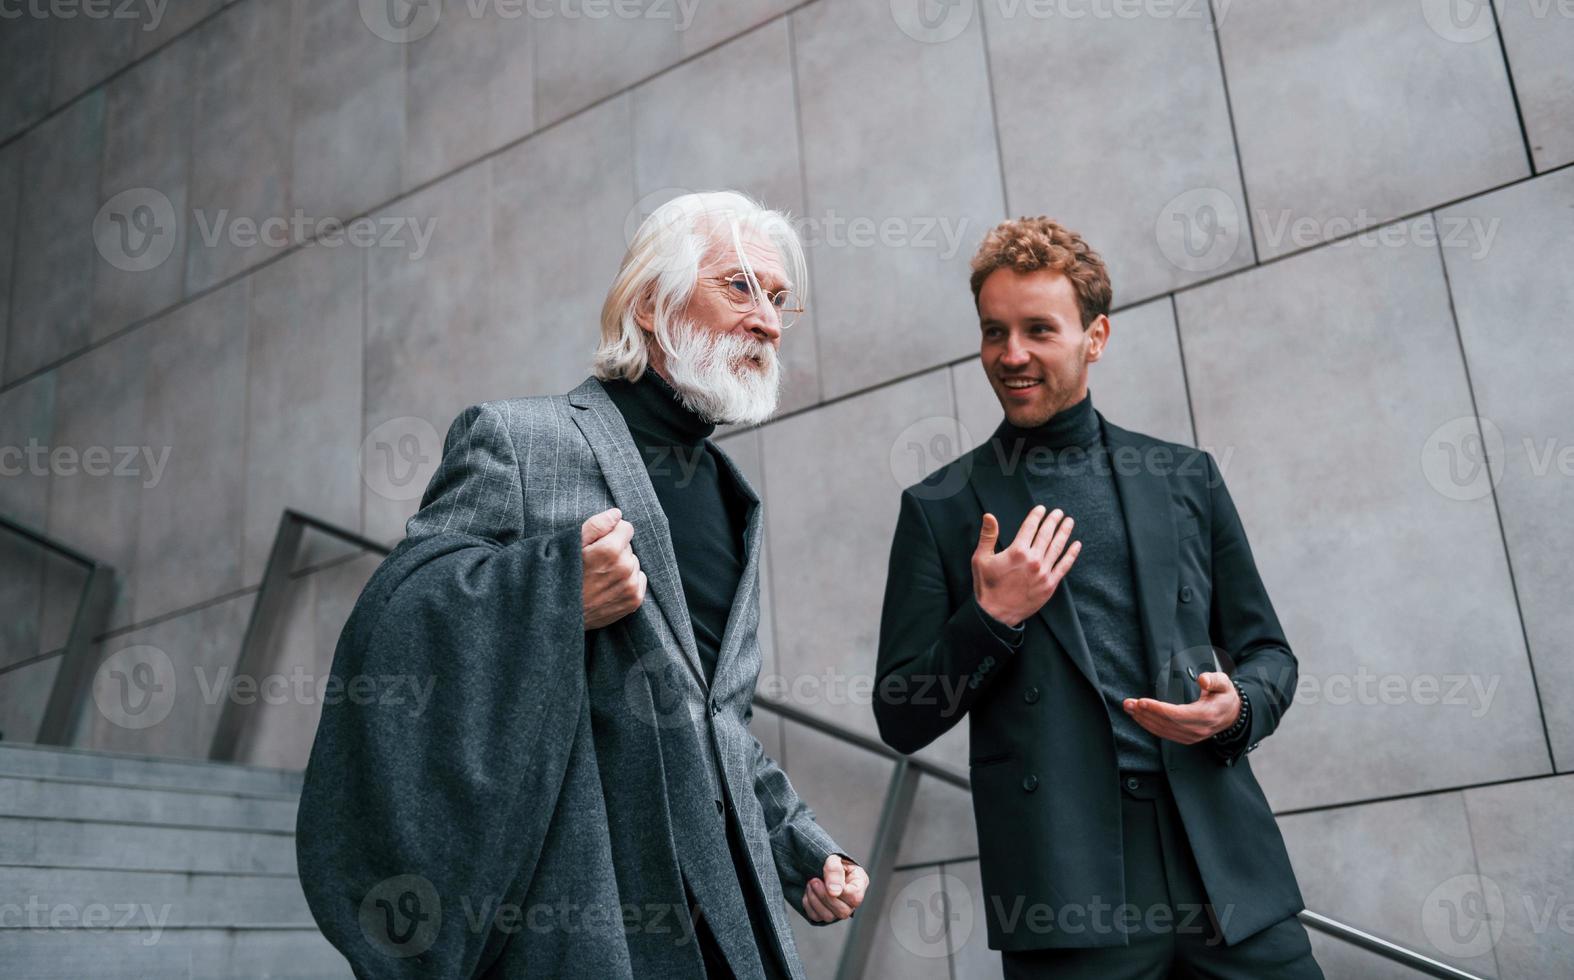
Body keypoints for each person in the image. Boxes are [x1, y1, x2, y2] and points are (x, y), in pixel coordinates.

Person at [298, 191, 865, 980]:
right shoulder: (520, 440)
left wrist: (802, 848)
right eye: (739, 288)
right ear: (649, 302)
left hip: (724, 923)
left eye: (778, 300)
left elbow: (711, 720)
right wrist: (554, 591)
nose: (768, 323)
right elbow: (394, 620)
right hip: (584, 916)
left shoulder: (733, 496)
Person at [873, 217, 1322, 978]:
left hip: (1224, 865)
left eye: (1038, 330)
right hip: (1066, 888)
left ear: (1096, 335)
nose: (1010, 355)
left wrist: (1236, 709)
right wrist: (990, 620)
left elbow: (1268, 652)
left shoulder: (1183, 477)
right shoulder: (942, 506)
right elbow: (901, 713)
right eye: (993, 332)